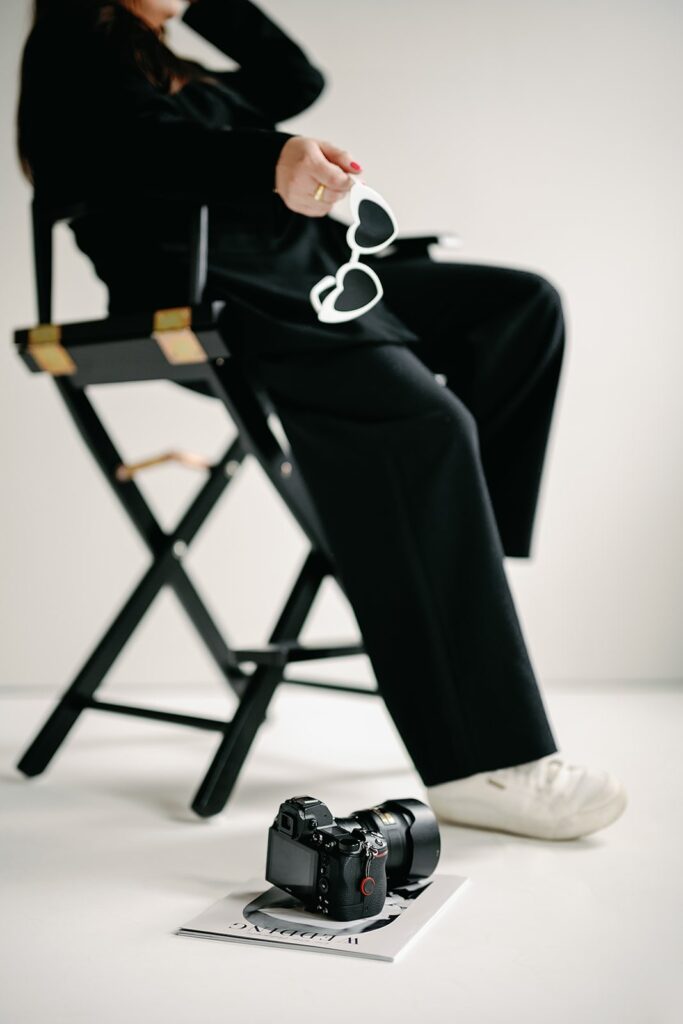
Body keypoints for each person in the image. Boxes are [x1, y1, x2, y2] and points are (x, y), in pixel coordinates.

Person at [16, 0, 627, 841]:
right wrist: (275, 159)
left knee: (518, 309)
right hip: (225, 297)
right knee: (429, 423)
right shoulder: (75, 57)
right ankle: (480, 763)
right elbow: (140, 149)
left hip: (315, 275)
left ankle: (457, 544)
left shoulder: (172, 60)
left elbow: (294, 80)